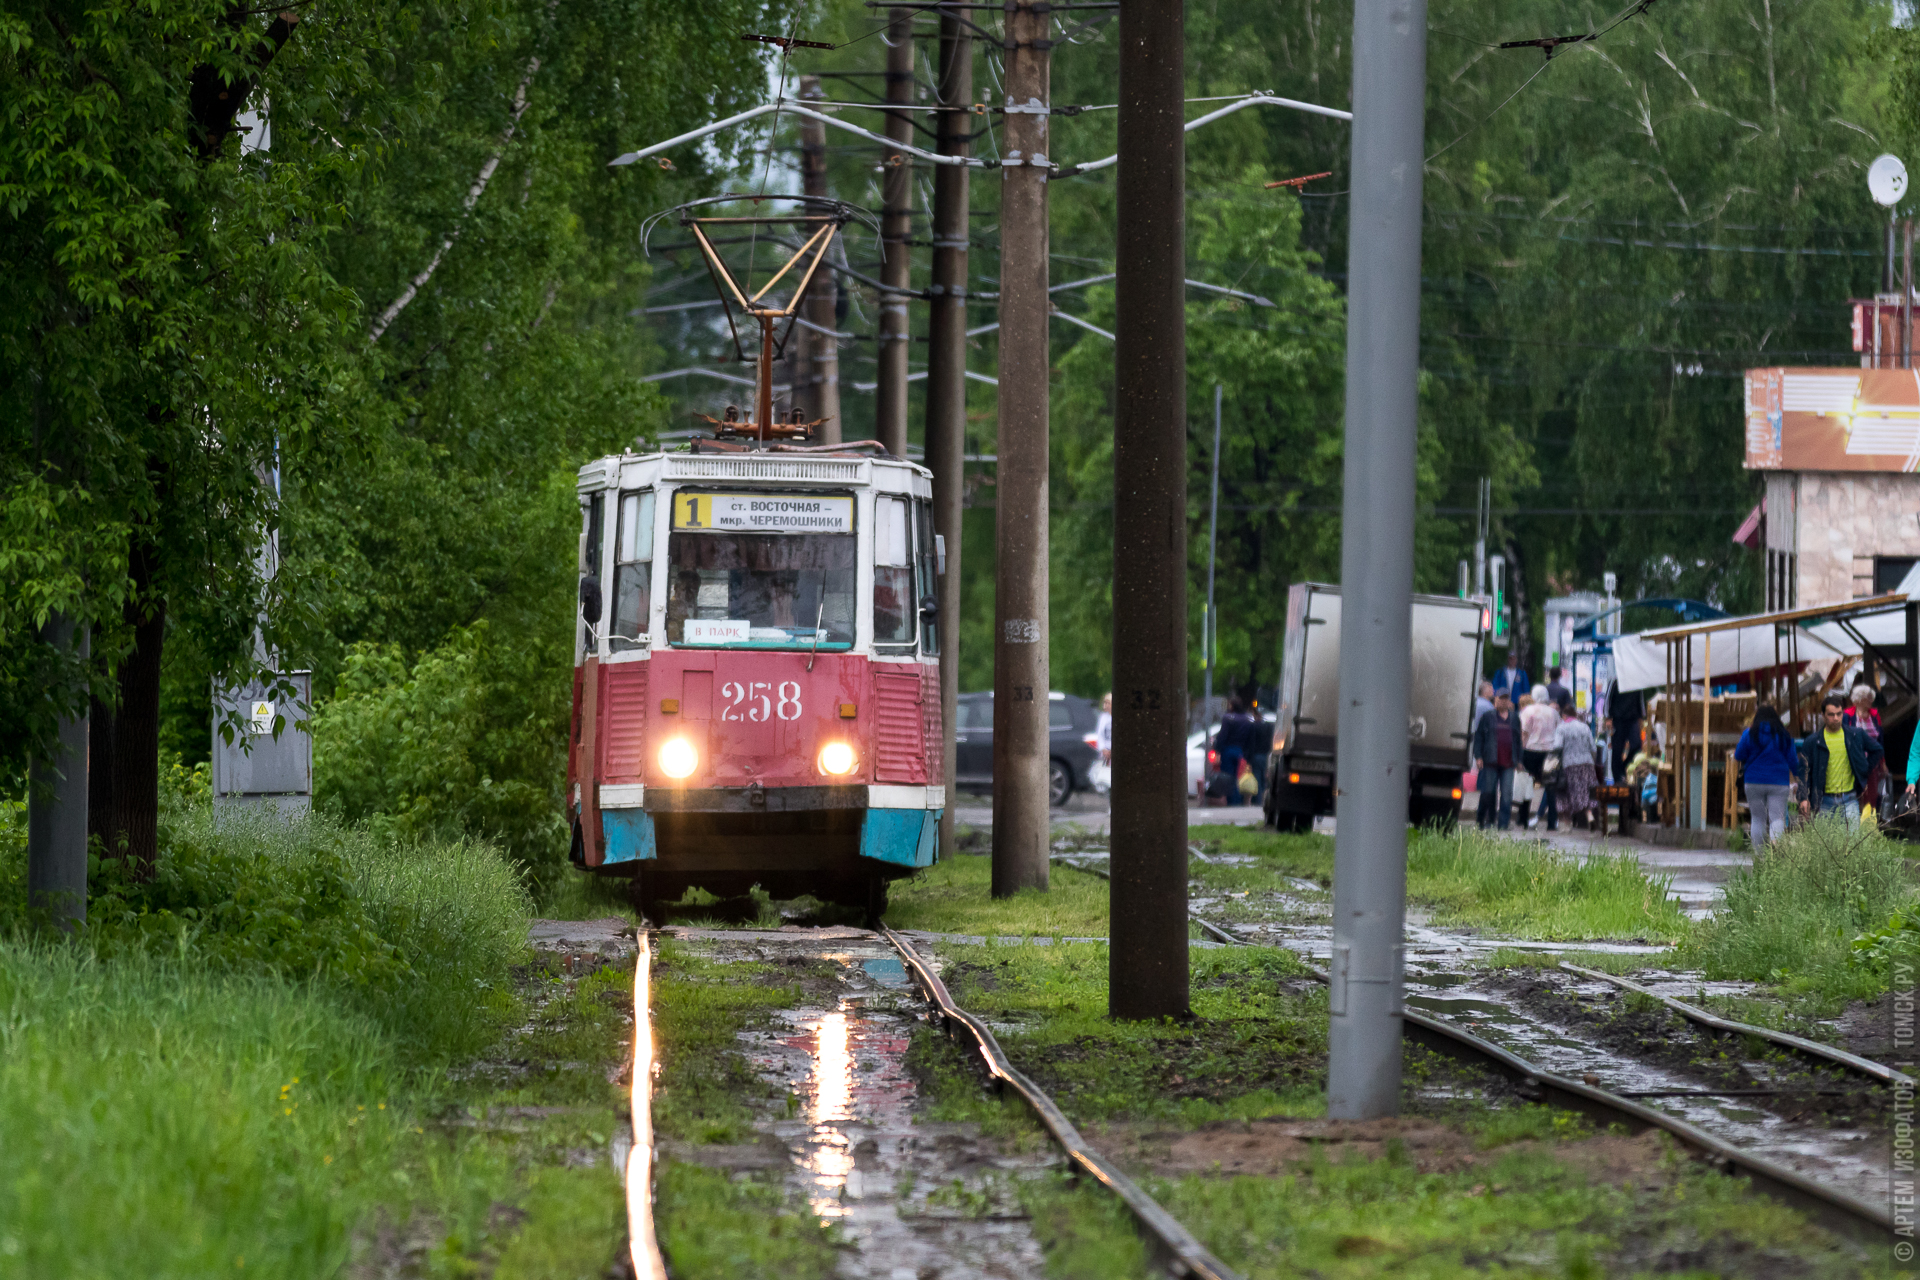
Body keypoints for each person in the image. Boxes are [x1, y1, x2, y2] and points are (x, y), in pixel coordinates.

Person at [1796, 692, 1884, 828]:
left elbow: (1877, 749)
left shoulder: (1855, 735)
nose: (1836, 718)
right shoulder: (1812, 742)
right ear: (1823, 715)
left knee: (1852, 843)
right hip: (1824, 800)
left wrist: (1864, 769)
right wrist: (1803, 798)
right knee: (1826, 845)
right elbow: (1804, 772)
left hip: (1849, 799)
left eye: (1839, 714)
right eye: (1831, 715)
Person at [1733, 703, 1796, 851]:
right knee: (1777, 818)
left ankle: (1760, 857)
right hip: (1779, 782)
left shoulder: (1749, 734)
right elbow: (1793, 760)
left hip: (1753, 781)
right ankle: (1775, 848)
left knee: (1757, 818)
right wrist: (1799, 778)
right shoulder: (1784, 736)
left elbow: (1738, 755)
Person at [1471, 691, 1519, 830]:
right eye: (1501, 699)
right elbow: (1479, 737)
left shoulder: (1514, 718)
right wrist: (1478, 756)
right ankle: (1482, 820)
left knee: (1506, 794)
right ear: (1495, 700)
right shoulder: (1488, 717)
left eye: (1506, 699)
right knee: (1487, 792)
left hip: (1508, 762)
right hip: (1490, 761)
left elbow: (1517, 741)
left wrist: (1519, 760)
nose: (1503, 702)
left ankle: (1503, 823)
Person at [1519, 683, 1559, 830]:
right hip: (1549, 753)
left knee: (1527, 785)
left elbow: (1524, 733)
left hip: (1530, 751)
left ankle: (1522, 818)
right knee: (1550, 787)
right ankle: (1551, 822)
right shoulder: (1553, 712)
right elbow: (1557, 729)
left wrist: (1520, 752)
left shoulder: (1528, 711)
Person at [1555, 698, 1600, 829]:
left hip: (1569, 765)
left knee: (1568, 793)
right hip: (1587, 764)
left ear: (1564, 715)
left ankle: (1566, 824)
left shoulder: (1561, 728)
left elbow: (1557, 746)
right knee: (1586, 792)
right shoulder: (1584, 727)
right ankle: (1590, 815)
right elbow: (1593, 748)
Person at [1846, 683, 1886, 813]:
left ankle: (1869, 823)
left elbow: (1880, 741)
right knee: (1855, 794)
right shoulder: (1848, 715)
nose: (1871, 700)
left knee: (1872, 795)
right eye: (1868, 697)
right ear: (1860, 699)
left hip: (1871, 763)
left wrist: (1883, 762)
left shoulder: (1874, 715)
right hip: (1853, 762)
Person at [1214, 696, 1257, 807]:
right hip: (1240, 752)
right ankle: (1237, 801)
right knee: (1239, 777)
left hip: (1228, 751)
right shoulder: (1248, 720)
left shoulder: (1228, 718)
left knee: (1228, 777)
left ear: (1232, 706)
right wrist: (1248, 757)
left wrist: (1218, 749)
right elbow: (1251, 740)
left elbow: (1222, 736)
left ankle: (1231, 801)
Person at [1247, 710, 1275, 807]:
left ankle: (1257, 800)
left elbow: (1251, 743)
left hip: (1256, 755)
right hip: (1266, 756)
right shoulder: (1268, 727)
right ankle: (1263, 798)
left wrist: (1249, 759)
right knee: (1264, 779)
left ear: (1255, 716)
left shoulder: (1254, 727)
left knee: (1257, 778)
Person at [1091, 692, 1113, 794]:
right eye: (1105, 703)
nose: (1105, 705)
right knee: (1107, 780)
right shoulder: (1103, 718)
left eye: (1108, 703)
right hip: (1105, 754)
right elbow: (1099, 735)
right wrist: (1103, 749)